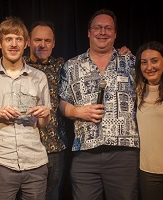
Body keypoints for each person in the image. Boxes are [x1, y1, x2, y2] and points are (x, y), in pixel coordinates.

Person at [59, 8, 140, 200]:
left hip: (124, 154)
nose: (102, 32)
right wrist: (77, 112)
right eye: (97, 27)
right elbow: (62, 102)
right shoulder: (72, 66)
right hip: (85, 156)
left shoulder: (132, 63)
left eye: (108, 28)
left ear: (115, 33)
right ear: (88, 32)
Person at [0, 16, 51, 200]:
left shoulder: (39, 77)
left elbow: (43, 124)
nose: (14, 44)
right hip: (0, 163)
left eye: (19, 39)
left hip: (35, 164)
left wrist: (45, 114)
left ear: (26, 43)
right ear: (0, 43)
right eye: (8, 39)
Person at [23, 21, 67, 200]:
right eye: (38, 40)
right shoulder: (18, 66)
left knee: (52, 196)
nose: (43, 44)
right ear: (28, 42)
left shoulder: (62, 66)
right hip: (26, 147)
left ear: (54, 43)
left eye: (47, 41)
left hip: (55, 147)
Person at [135, 41, 163, 200]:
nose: (149, 67)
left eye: (154, 61)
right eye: (144, 62)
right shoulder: (138, 90)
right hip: (148, 172)